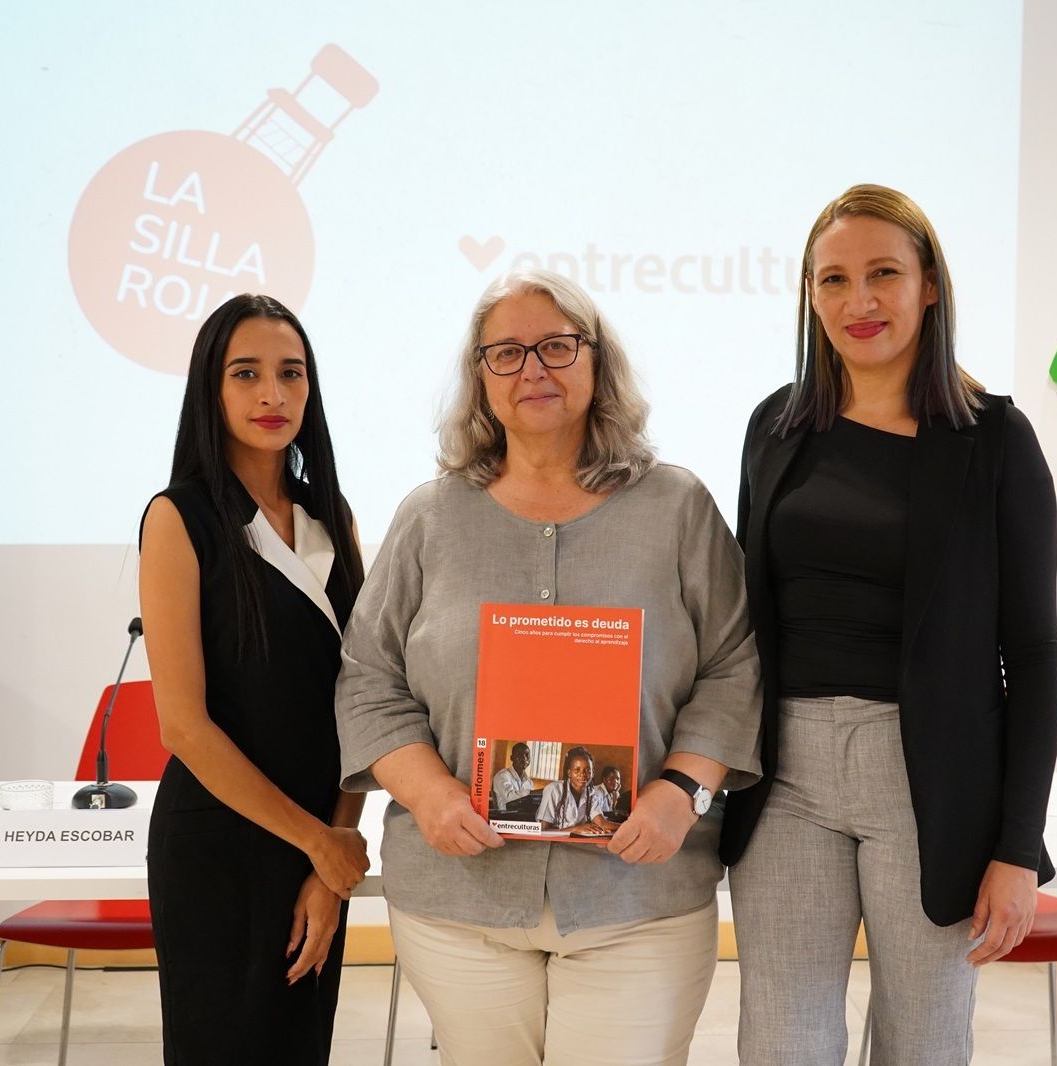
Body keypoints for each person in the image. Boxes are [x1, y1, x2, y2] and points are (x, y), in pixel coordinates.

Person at [336, 269, 761, 1066]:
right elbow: (367, 675)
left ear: (597, 364)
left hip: (639, 896)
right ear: (480, 380)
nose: (534, 368)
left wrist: (683, 792)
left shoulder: (678, 508)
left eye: (558, 346)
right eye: (507, 353)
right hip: (459, 899)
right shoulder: (429, 517)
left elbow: (734, 664)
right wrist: (427, 794)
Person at [720, 184, 1057, 1065]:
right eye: (833, 279)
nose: (858, 301)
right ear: (808, 295)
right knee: (781, 1042)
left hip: (931, 785)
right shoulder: (776, 425)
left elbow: (1032, 656)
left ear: (930, 286)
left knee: (925, 1043)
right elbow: (741, 618)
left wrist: (1018, 848)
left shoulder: (995, 441)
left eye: (883, 274)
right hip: (786, 772)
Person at [139, 294, 370, 1064]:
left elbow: (363, 700)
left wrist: (332, 854)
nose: (273, 394)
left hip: (316, 849)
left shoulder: (330, 518)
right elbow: (184, 726)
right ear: (212, 388)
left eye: (290, 373)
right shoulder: (180, 519)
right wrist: (320, 842)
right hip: (219, 850)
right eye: (247, 374)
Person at [535, 745, 611, 831]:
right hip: (551, 842)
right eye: (577, 770)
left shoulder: (591, 793)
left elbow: (602, 823)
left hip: (575, 841)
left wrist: (628, 827)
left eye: (587, 770)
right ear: (569, 773)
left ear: (592, 773)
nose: (583, 774)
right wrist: (577, 829)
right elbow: (543, 830)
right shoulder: (554, 790)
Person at [490, 741, 534, 811]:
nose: (524, 759)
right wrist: (531, 793)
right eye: (519, 755)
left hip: (522, 817)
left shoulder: (529, 782)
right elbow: (510, 798)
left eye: (527, 755)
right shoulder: (502, 776)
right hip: (504, 817)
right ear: (512, 758)